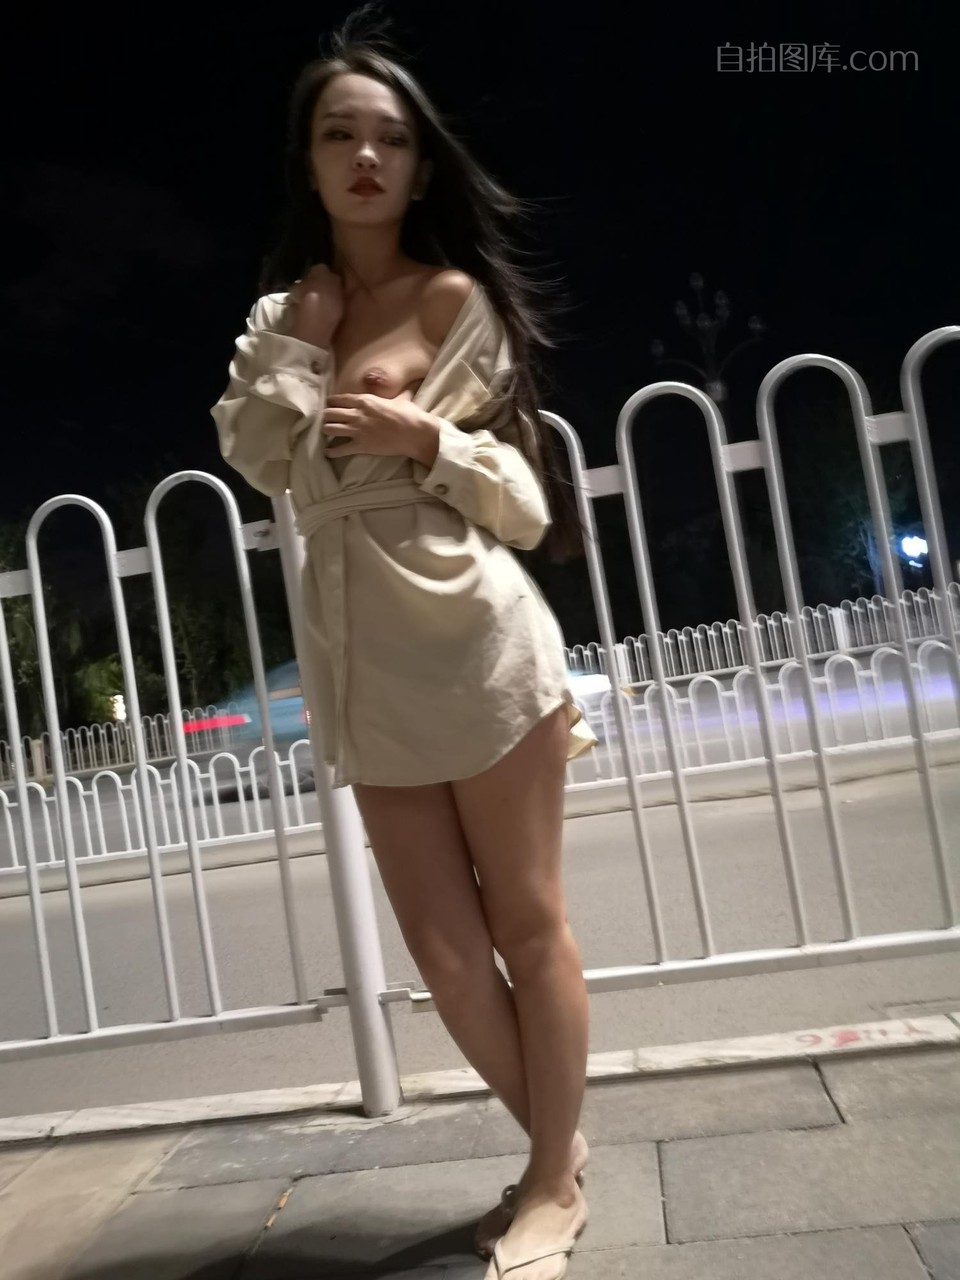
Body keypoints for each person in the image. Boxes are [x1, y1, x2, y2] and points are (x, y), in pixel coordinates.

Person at [211, 11, 596, 1279]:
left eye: (390, 139)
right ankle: (560, 1153)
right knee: (441, 950)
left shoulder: (455, 300)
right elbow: (258, 453)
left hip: (477, 641)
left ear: (424, 167)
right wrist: (304, 335)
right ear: (309, 161)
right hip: (361, 664)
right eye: (341, 135)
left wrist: (427, 438)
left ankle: (552, 1181)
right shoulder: (284, 314)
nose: (366, 157)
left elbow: (525, 507)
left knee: (526, 923)